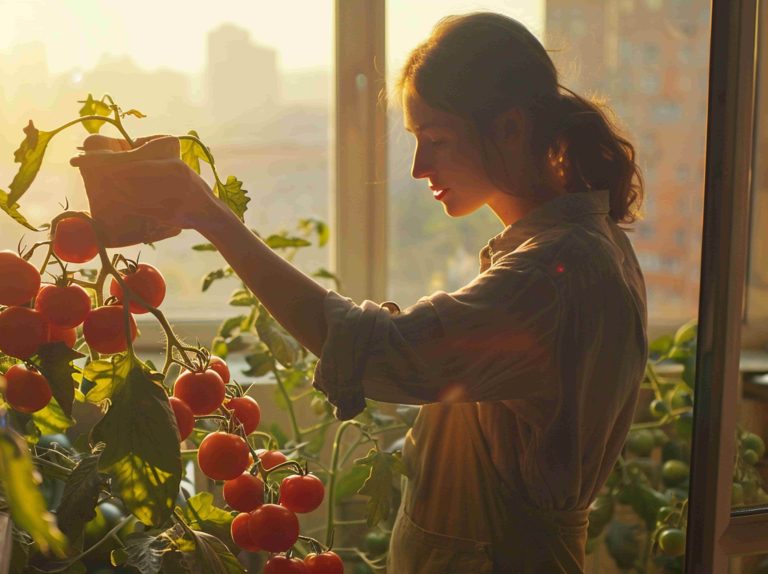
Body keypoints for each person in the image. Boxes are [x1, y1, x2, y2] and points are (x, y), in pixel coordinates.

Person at [74, 11, 648, 573]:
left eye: (438, 139)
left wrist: (212, 216)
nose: (421, 167)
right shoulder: (573, 250)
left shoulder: (552, 276)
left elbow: (381, 352)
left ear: (511, 127)